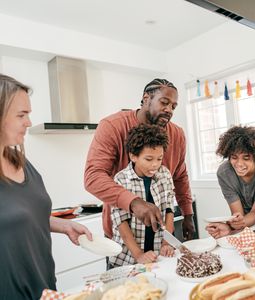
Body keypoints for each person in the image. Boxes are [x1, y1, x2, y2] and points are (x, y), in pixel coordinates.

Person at [0, 74, 92, 299]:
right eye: (21, 115)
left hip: (45, 288)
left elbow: (19, 217)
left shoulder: (20, 161)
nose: (29, 122)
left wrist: (63, 226)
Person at [84, 78, 195, 240]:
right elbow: (93, 177)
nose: (169, 110)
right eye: (164, 102)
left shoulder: (177, 134)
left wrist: (188, 213)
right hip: (123, 235)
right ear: (146, 99)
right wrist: (134, 203)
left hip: (161, 235)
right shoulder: (113, 126)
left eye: (173, 106)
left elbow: (180, 176)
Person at [109, 124, 175, 268]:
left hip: (157, 255)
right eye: (149, 159)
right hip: (128, 257)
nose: (155, 165)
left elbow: (169, 210)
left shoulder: (164, 174)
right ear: (133, 156)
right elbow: (121, 222)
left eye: (159, 159)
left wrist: (166, 243)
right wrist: (138, 254)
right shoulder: (121, 179)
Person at [206, 125, 255, 239]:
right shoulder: (224, 173)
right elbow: (238, 215)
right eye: (234, 157)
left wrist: (233, 226)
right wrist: (231, 226)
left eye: (246, 158)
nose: (239, 164)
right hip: (245, 216)